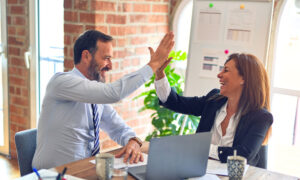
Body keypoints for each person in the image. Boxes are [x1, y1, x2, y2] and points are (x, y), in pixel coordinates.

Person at [32, 30, 174, 169]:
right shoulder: (61, 82)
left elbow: (117, 127)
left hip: (84, 170)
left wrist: (133, 140)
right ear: (86, 56)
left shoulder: (95, 94)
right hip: (53, 174)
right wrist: (153, 65)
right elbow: (114, 93)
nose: (110, 66)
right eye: (106, 58)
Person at [154, 53, 273, 167]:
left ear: (244, 78)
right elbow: (175, 102)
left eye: (226, 70)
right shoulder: (214, 100)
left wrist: (202, 147)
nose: (219, 75)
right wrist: (159, 74)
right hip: (200, 172)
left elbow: (243, 155)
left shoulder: (261, 117)